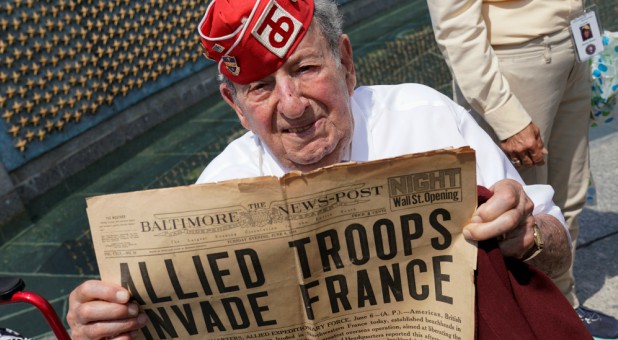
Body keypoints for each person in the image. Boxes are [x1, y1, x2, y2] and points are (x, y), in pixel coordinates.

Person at [66, 0, 581, 338]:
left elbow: (556, 255)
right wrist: (113, 324)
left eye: (305, 69)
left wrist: (526, 235)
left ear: (347, 61)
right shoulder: (218, 190)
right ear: (235, 104)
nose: (291, 106)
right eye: (260, 88)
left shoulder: (430, 121)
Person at [426, 1, 618, 338]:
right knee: (514, 217)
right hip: (516, 61)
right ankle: (528, 320)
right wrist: (502, 112)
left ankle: (564, 305)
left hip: (573, 41)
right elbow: (454, 22)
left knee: (567, 196)